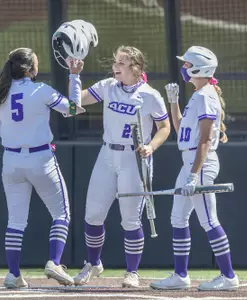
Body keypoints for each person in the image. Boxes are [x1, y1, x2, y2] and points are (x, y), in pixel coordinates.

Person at [68, 46, 171, 287]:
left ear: (136, 68)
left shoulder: (149, 95)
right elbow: (76, 101)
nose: (115, 66)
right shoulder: (108, 86)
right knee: (93, 214)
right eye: (116, 61)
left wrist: (151, 147)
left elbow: (165, 127)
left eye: (122, 63)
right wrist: (74, 75)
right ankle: (93, 264)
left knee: (130, 219)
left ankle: (132, 272)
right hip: (107, 154)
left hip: (133, 159)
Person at [0, 47, 84, 289]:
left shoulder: (0, 94)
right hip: (40, 157)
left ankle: (13, 274)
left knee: (16, 221)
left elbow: (0, 130)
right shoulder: (41, 90)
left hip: (10, 160)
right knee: (61, 213)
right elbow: (72, 109)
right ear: (30, 69)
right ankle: (54, 261)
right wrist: (74, 76)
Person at [149, 46, 240, 291]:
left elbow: (205, 141)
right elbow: (181, 131)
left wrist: (192, 176)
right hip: (189, 162)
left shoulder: (206, 95)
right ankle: (180, 275)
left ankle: (229, 276)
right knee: (178, 218)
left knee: (209, 220)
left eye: (188, 65)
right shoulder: (198, 95)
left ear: (200, 68)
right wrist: (174, 102)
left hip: (201, 163)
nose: (184, 69)